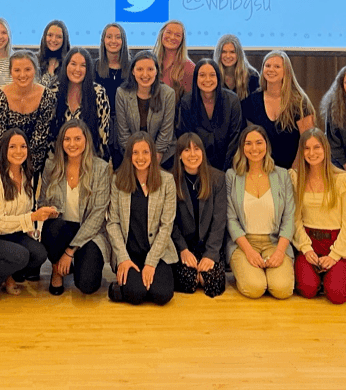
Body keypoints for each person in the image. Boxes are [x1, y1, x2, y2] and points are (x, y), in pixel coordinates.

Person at [0, 129, 56, 302]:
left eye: (23, 146)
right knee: (20, 255)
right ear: (4, 150)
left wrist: (31, 229)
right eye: (12, 147)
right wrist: (32, 218)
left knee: (39, 253)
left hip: (12, 236)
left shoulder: (27, 176)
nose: (18, 151)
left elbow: (24, 211)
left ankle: (7, 275)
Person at [38, 119, 111, 295]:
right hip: (61, 228)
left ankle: (78, 260)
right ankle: (57, 270)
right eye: (67, 139)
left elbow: (98, 215)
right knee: (53, 228)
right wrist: (47, 211)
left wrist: (70, 251)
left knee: (87, 284)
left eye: (77, 139)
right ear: (61, 142)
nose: (72, 144)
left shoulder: (101, 168)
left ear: (86, 140)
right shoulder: (51, 166)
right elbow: (42, 203)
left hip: (89, 231)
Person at [226, 125, 296, 300]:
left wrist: (279, 252)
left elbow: (289, 217)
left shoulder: (282, 175)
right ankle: (252, 272)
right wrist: (249, 252)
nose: (254, 148)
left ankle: (268, 272)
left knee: (282, 289)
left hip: (274, 242)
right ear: (242, 147)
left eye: (259, 142)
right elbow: (231, 219)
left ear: (267, 145)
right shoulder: (232, 176)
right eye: (248, 143)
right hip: (244, 244)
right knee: (255, 288)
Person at [107, 132, 177, 305]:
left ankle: (131, 286)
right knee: (136, 294)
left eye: (145, 152)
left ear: (153, 154)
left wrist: (151, 263)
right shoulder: (117, 181)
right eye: (135, 152)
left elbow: (166, 226)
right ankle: (120, 288)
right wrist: (123, 258)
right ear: (129, 156)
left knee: (162, 295)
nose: (140, 157)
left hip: (157, 252)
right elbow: (113, 223)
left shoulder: (167, 181)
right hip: (129, 253)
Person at [290, 128, 346, 304]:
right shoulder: (296, 179)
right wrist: (306, 248)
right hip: (309, 242)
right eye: (307, 148)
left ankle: (329, 278)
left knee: (338, 294)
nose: (312, 153)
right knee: (307, 289)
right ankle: (318, 279)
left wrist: (335, 255)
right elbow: (295, 220)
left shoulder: (344, 180)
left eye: (316, 147)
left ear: (325, 149)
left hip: (336, 242)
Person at [171, 133, 226, 298]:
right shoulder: (170, 180)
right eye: (187, 150)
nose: (192, 154)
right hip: (184, 246)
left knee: (213, 283)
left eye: (196, 149)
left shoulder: (217, 178)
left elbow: (219, 220)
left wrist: (210, 254)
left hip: (209, 245)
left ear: (203, 151)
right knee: (189, 281)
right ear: (179, 155)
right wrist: (183, 249)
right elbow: (169, 222)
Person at [0, 50, 57, 180]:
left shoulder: (47, 96)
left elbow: (40, 139)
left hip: (34, 163)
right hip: (5, 162)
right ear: (10, 72)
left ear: (35, 70)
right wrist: (9, 171)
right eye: (17, 70)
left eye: (27, 69)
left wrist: (26, 173)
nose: (22, 75)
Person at [241, 50, 315, 169]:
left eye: (277, 66)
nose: (271, 70)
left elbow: (308, 139)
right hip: (262, 169)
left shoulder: (300, 102)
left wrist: (295, 170)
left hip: (293, 169)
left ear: (286, 71)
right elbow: (248, 140)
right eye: (268, 66)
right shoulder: (252, 101)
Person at [177, 58, 243, 171]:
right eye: (202, 75)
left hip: (229, 166)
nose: (207, 79)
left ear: (218, 77)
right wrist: (203, 169)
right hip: (196, 165)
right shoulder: (186, 102)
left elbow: (235, 138)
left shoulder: (232, 100)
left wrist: (225, 170)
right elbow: (186, 137)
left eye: (212, 75)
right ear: (196, 78)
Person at [115, 50, 176, 169]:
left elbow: (165, 134)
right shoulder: (122, 93)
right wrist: (138, 160)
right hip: (131, 155)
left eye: (150, 69)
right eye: (139, 69)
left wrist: (152, 164)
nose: (145, 74)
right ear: (133, 71)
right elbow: (123, 135)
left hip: (162, 155)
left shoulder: (168, 94)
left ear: (156, 71)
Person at [49, 48, 111, 160]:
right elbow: (48, 134)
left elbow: (103, 136)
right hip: (58, 159)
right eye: (73, 64)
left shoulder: (98, 93)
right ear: (66, 66)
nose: (77, 69)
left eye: (83, 65)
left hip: (89, 159)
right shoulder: (53, 91)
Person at [96, 22, 130, 166]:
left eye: (117, 37)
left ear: (123, 41)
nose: (113, 41)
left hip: (126, 127)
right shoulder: (94, 67)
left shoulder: (133, 68)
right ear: (103, 40)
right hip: (100, 127)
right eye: (109, 37)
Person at [152, 20, 195, 105]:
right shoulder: (149, 60)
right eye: (168, 32)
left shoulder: (189, 68)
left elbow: (190, 103)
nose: (172, 37)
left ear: (182, 40)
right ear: (162, 34)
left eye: (177, 35)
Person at [213, 34, 260, 101]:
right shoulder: (213, 75)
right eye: (224, 52)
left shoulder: (252, 76)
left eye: (232, 52)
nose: (228, 56)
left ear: (239, 54)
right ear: (218, 54)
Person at [36, 20, 70, 88]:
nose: (54, 40)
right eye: (50, 35)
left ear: (64, 40)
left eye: (59, 37)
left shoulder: (70, 63)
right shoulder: (34, 61)